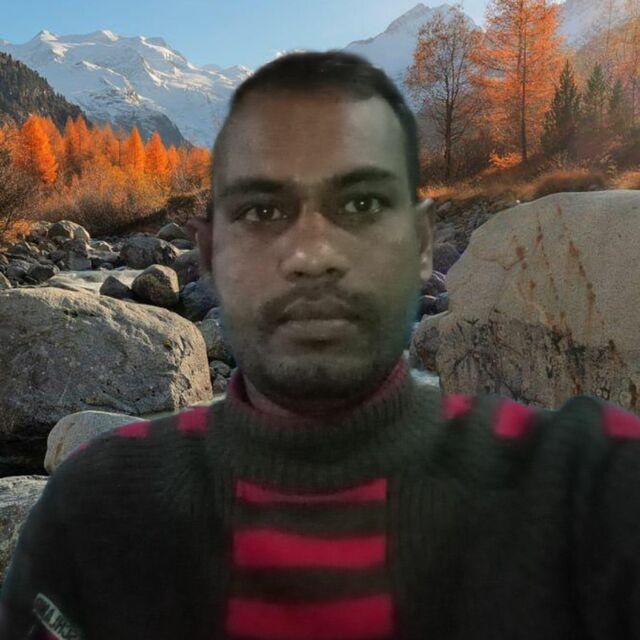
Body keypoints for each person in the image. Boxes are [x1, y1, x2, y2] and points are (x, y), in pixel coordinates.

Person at [1, 50, 639, 640]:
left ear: (421, 246)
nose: (312, 255)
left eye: (361, 203)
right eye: (262, 211)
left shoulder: (591, 488)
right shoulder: (98, 511)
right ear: (210, 254)